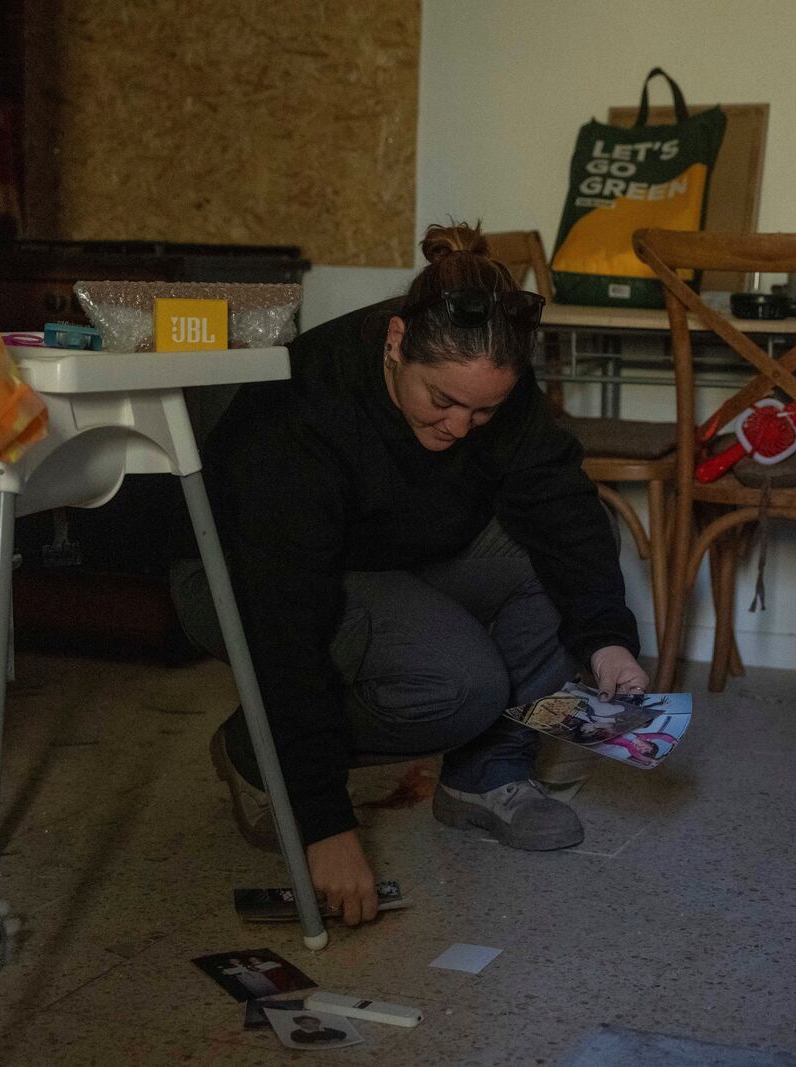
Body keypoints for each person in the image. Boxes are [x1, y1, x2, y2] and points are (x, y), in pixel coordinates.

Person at [191, 222, 649, 928]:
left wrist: (606, 637)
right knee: (464, 684)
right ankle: (261, 752)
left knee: (565, 548)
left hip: (391, 554)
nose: (463, 427)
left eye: (485, 410)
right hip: (244, 577)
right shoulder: (303, 415)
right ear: (397, 341)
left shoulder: (491, 385)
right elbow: (284, 623)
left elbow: (563, 511)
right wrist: (323, 822)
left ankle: (487, 774)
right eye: (442, 400)